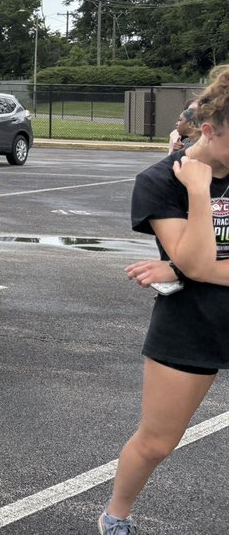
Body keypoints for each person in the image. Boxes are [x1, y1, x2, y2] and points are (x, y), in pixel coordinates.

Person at [102, 66, 229, 535]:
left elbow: (194, 266)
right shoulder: (160, 181)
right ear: (210, 130)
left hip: (194, 292)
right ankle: (115, 516)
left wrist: (178, 268)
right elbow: (198, 263)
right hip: (191, 320)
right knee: (156, 442)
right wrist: (199, 193)